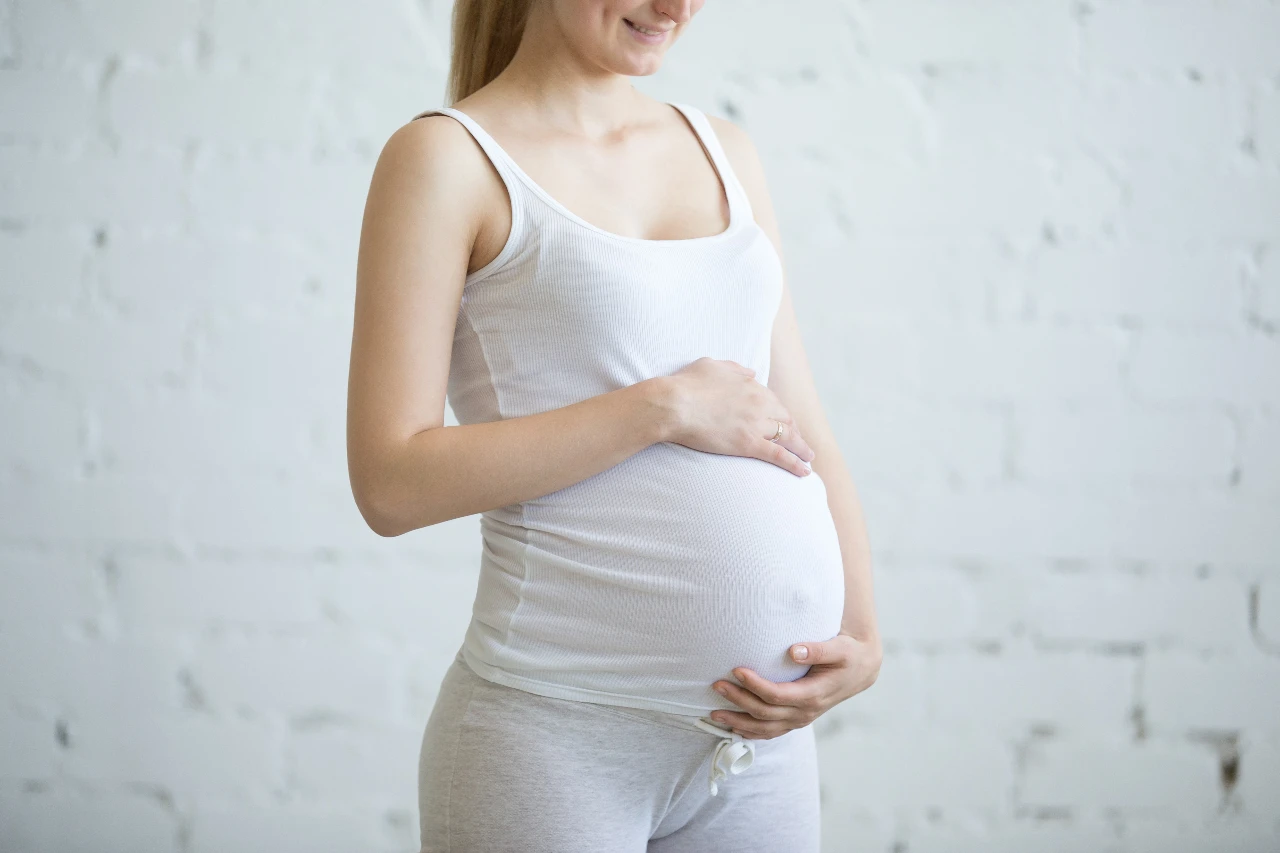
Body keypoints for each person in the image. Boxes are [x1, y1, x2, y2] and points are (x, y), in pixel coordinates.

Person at [346, 1, 882, 850]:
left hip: (757, 748)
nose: (675, 6)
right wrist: (659, 408)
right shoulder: (448, 160)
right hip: (552, 740)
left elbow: (802, 421)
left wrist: (862, 632)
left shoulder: (725, 152)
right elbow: (390, 480)